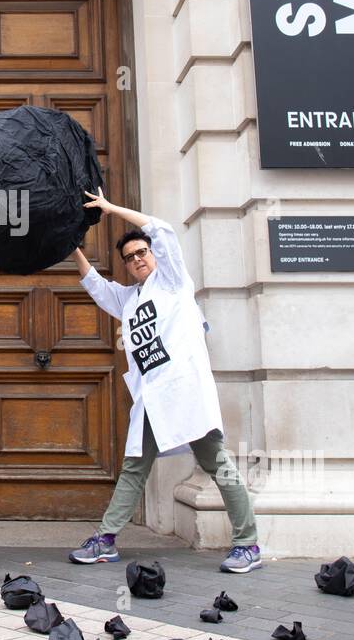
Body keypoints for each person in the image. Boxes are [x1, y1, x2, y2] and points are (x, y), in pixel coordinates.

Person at [68, 189, 262, 573]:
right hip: (153, 400)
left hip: (185, 393)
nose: (137, 260)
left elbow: (163, 229)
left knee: (218, 465)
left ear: (153, 254)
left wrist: (109, 209)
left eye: (142, 253)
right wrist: (72, 246)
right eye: (129, 258)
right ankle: (105, 540)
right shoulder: (130, 299)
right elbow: (95, 285)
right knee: (134, 468)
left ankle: (248, 544)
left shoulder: (173, 282)